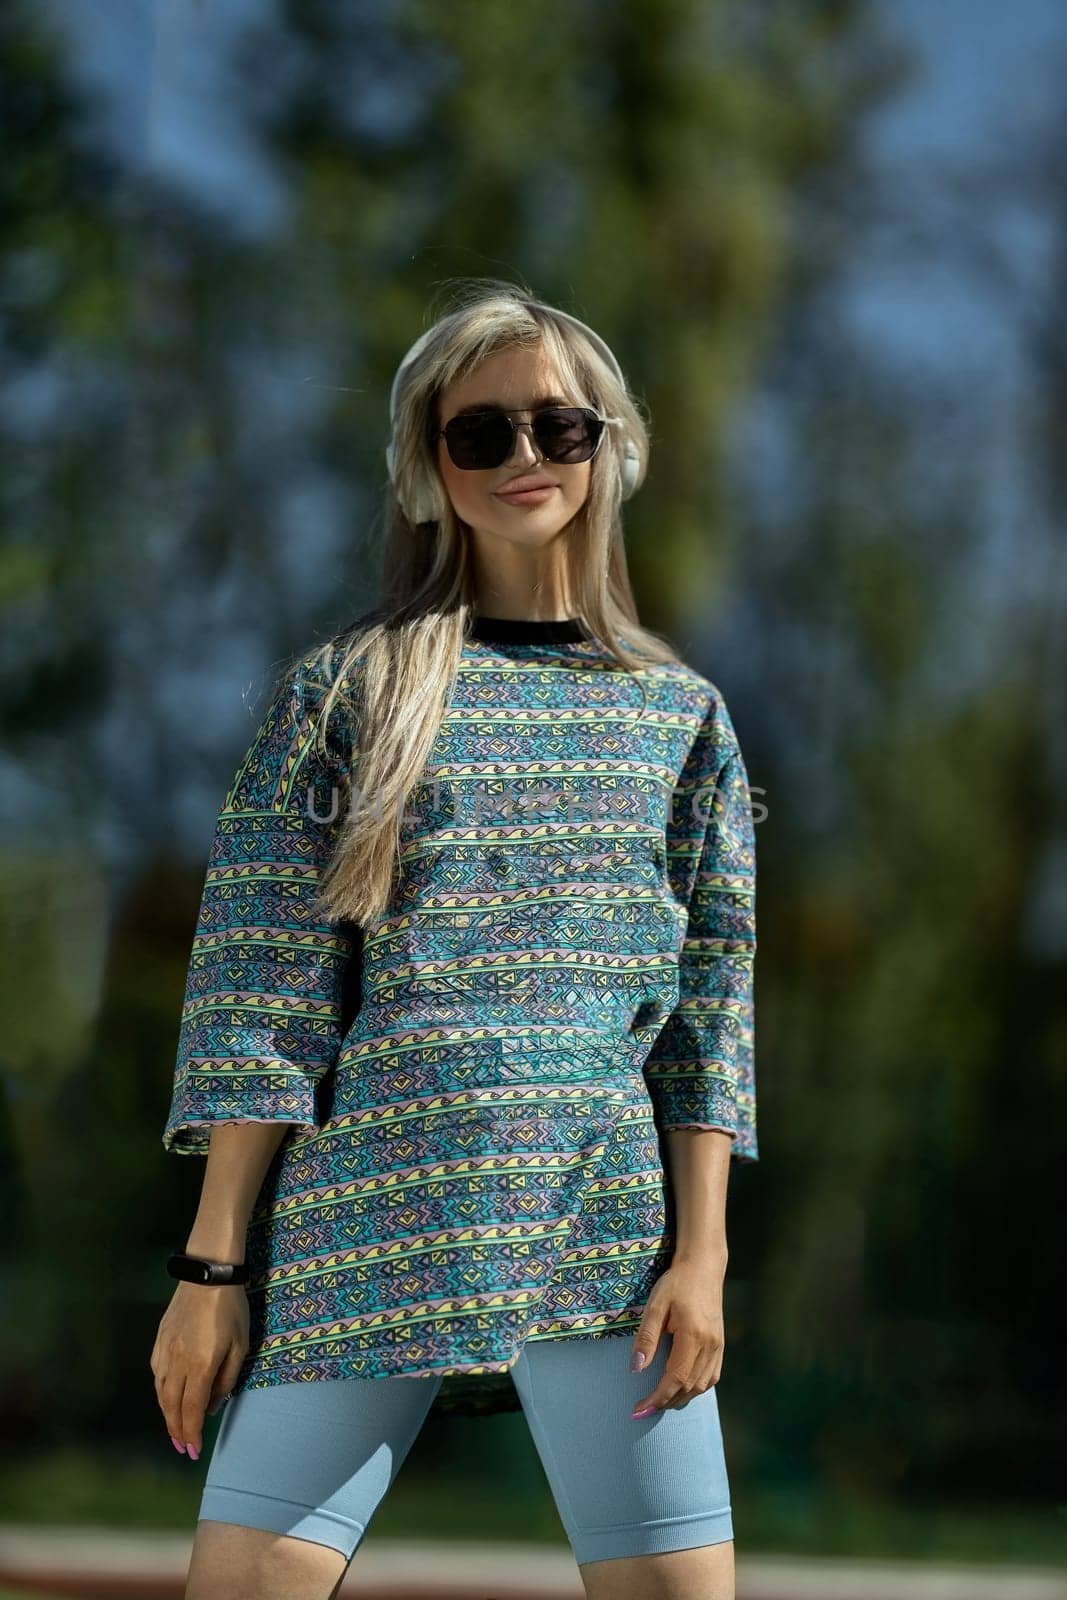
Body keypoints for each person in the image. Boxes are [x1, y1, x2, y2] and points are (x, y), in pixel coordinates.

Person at [151, 278, 758, 1600]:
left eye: (559, 427)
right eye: (479, 433)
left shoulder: (682, 718)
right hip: (363, 1225)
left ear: (614, 447)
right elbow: (265, 988)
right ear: (428, 466)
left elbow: (709, 1016)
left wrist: (702, 1259)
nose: (524, 458)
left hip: (608, 1242)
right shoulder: (346, 691)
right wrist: (213, 1266)